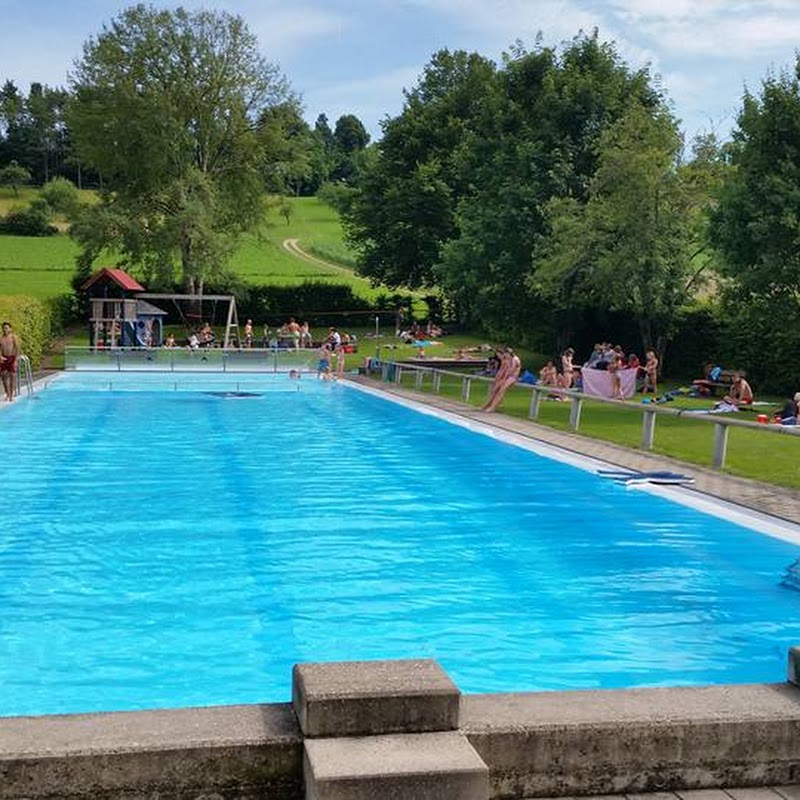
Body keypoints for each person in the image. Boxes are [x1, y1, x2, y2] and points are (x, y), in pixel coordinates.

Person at [482, 347, 521, 412]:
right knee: (495, 390)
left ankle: (492, 407)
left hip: (513, 377)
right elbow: (501, 371)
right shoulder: (507, 359)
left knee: (501, 390)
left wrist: (503, 379)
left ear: (509, 353)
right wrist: (497, 379)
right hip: (507, 376)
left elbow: (510, 371)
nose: (504, 356)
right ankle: (488, 405)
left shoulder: (515, 359)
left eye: (505, 354)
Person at [0, 321, 21, 402]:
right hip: (4, 358)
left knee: (12, 376)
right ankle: (7, 393)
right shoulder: (1, 338)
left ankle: (11, 395)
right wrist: (0, 357)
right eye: (4, 328)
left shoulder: (13, 337)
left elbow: (17, 348)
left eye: (6, 328)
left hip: (11, 357)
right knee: (3, 376)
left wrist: (15, 360)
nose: (5, 330)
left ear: (10, 329)